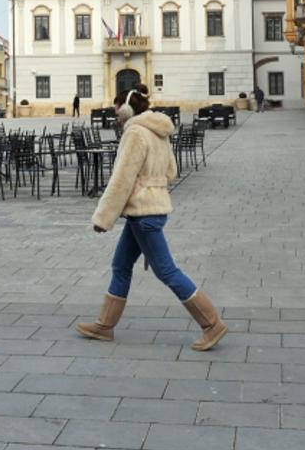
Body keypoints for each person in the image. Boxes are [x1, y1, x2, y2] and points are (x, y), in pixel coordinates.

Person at [77, 90, 227, 350]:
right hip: (150, 210)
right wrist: (152, 185)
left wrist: (104, 218)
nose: (116, 116)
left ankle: (211, 323)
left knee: (167, 271)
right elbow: (171, 171)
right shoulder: (158, 130)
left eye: (117, 110)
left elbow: (122, 179)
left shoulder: (135, 132)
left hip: (143, 215)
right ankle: (105, 326)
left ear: (126, 110)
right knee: (121, 265)